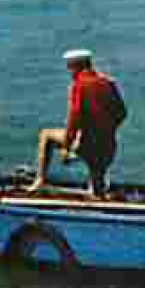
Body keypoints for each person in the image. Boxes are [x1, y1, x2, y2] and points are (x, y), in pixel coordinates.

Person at [31, 49, 127, 196]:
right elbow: (121, 113)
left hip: (86, 145)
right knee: (97, 189)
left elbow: (74, 119)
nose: (69, 72)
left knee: (46, 135)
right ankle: (98, 192)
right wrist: (106, 130)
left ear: (75, 67)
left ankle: (39, 181)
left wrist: (66, 147)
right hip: (107, 147)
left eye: (69, 67)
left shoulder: (79, 85)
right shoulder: (108, 83)